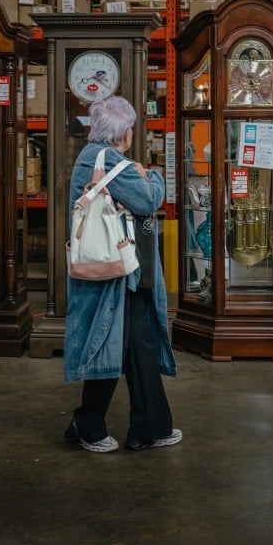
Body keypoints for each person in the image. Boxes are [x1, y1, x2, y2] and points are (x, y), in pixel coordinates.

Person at [62, 96, 180, 453]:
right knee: (110, 344)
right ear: (123, 133)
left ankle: (148, 427)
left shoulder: (89, 158)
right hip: (118, 272)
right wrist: (153, 175)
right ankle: (91, 425)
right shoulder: (112, 161)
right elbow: (149, 199)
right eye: (129, 127)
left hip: (121, 271)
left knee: (134, 346)